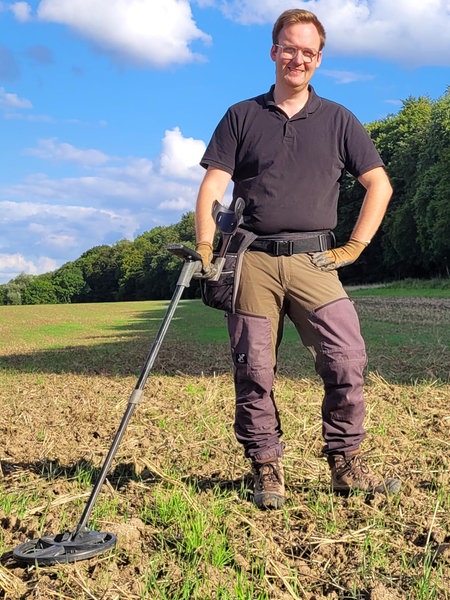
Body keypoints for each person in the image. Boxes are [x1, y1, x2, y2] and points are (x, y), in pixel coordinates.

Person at [194, 8, 401, 509]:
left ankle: (346, 464)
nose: (298, 58)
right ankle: (266, 468)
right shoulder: (242, 115)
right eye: (290, 47)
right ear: (274, 51)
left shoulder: (339, 119)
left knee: (346, 357)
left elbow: (379, 184)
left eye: (309, 51)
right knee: (254, 368)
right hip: (253, 261)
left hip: (315, 261)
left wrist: (353, 247)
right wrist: (205, 246)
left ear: (319, 59)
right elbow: (213, 185)